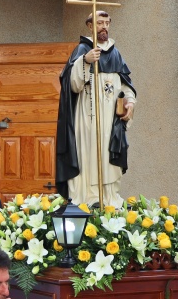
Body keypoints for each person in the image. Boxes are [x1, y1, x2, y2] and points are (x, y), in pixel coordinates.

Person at [56, 10, 137, 208]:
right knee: (88, 155)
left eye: (107, 23)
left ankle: (109, 199)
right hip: (87, 117)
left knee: (109, 159)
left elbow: (126, 85)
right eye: (100, 23)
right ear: (90, 26)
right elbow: (72, 85)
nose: (104, 27)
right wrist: (85, 61)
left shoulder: (115, 53)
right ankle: (86, 198)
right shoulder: (82, 50)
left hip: (110, 120)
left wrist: (130, 102)